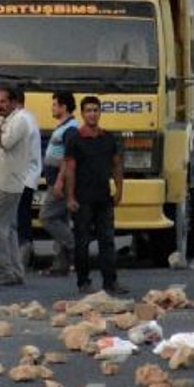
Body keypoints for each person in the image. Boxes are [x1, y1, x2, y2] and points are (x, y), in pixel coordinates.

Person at [64, 95, 127, 296]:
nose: (92, 114)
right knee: (82, 242)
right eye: (88, 110)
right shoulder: (74, 139)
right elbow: (70, 170)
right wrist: (70, 197)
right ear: (82, 114)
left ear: (100, 113)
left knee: (107, 240)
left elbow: (117, 165)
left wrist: (119, 189)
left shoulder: (108, 138)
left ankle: (111, 282)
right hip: (83, 199)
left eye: (95, 110)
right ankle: (83, 282)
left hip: (103, 197)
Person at [0, 86, 36, 285]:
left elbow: (5, 142)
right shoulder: (10, 119)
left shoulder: (20, 120)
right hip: (2, 180)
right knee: (9, 228)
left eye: (3, 102)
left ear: (14, 102)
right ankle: (15, 271)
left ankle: (4, 273)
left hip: (6, 182)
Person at [41, 91, 78, 276]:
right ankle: (61, 266)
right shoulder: (63, 126)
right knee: (62, 219)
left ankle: (76, 247)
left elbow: (68, 158)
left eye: (55, 104)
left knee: (47, 217)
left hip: (61, 183)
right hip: (55, 181)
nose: (52, 108)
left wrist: (59, 182)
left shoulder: (70, 129)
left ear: (64, 107)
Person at [15, 92, 43, 271]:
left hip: (21, 177)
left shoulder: (21, 121)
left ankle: (23, 255)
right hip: (27, 176)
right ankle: (26, 251)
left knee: (20, 216)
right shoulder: (29, 118)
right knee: (22, 215)